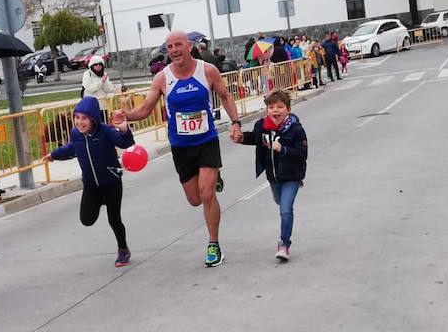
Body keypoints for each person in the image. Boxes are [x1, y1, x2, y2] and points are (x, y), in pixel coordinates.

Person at [115, 30, 243, 267]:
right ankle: (213, 176)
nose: (174, 50)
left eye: (178, 45)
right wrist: (126, 117)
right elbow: (145, 110)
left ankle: (213, 244)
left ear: (189, 46)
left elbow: (225, 96)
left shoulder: (207, 71)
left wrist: (235, 122)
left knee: (207, 194)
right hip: (181, 146)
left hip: (206, 141)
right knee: (195, 199)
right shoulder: (162, 78)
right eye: (169, 47)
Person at [42, 96, 135, 267]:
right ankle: (100, 201)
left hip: (111, 183)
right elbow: (71, 147)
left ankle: (123, 250)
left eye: (84, 118)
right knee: (86, 219)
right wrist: (54, 155)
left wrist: (124, 130)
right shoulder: (76, 134)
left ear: (93, 119)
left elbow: (126, 143)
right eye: (77, 117)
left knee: (114, 219)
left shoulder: (106, 131)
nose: (79, 122)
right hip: (91, 185)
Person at [232, 90, 308, 262]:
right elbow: (255, 138)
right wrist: (242, 137)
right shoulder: (262, 126)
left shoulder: (295, 129)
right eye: (271, 107)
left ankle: (284, 244)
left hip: (291, 176)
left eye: (280, 107)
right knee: (279, 201)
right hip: (272, 177)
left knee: (285, 209)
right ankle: (285, 208)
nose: (275, 110)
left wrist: (283, 149)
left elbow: (302, 153)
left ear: (288, 110)